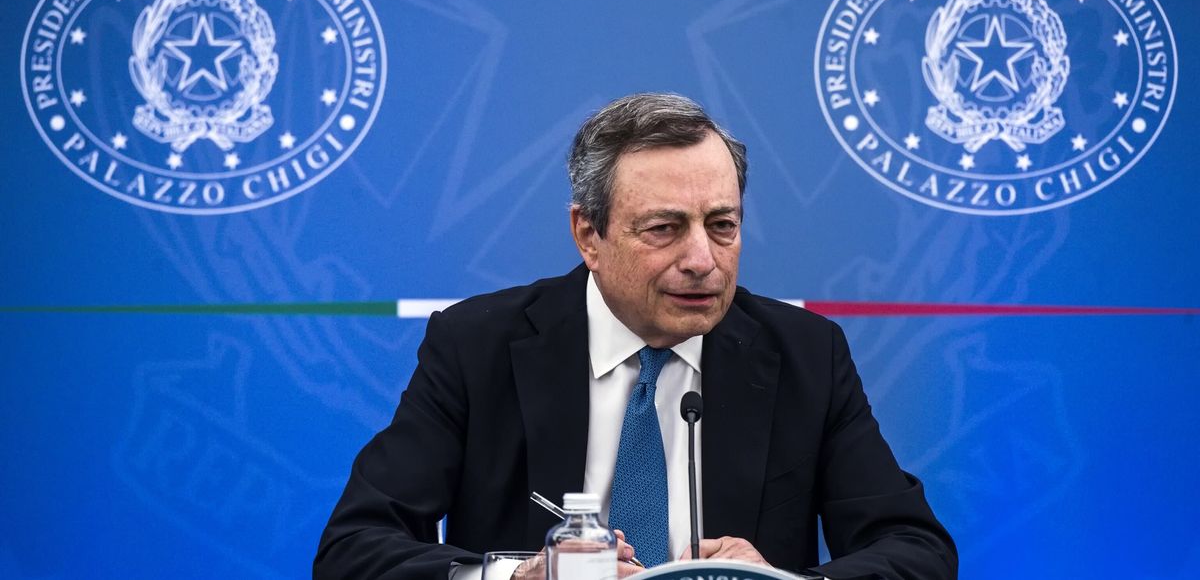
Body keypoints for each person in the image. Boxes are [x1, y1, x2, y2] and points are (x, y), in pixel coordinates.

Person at [314, 93, 956, 580]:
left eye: (723, 225)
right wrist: (515, 577)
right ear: (588, 234)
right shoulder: (476, 344)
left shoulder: (806, 354)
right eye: (664, 229)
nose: (703, 259)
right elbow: (355, 547)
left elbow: (916, 548)